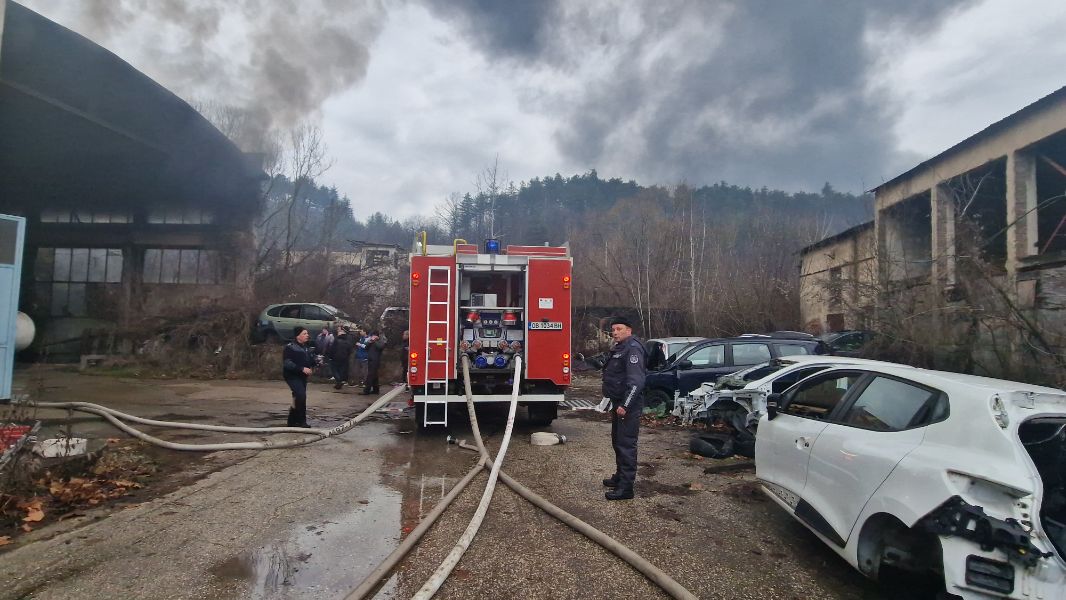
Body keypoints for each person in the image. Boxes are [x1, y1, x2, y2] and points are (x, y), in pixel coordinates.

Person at [600, 316, 646, 500]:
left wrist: (626, 404)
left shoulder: (633, 349)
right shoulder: (620, 348)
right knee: (618, 442)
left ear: (629, 330)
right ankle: (620, 477)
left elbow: (636, 381)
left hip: (628, 406)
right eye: (613, 329)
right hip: (618, 403)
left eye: (619, 329)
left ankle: (626, 488)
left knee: (626, 444)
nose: (615, 332)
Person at [283, 327, 315, 427]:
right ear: (298, 336)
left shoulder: (306, 347)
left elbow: (309, 360)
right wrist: (301, 368)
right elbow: (287, 363)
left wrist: (314, 364)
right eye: (304, 333)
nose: (307, 335)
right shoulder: (290, 347)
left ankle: (291, 421)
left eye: (307, 333)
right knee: (301, 395)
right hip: (292, 376)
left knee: (298, 397)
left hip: (302, 377)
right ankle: (302, 421)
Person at [329, 326, 354, 390]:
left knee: (334, 370)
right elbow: (350, 350)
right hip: (344, 358)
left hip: (336, 357)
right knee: (341, 370)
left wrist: (330, 356)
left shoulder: (336, 340)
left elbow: (332, 349)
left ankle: (339, 381)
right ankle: (339, 382)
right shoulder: (348, 340)